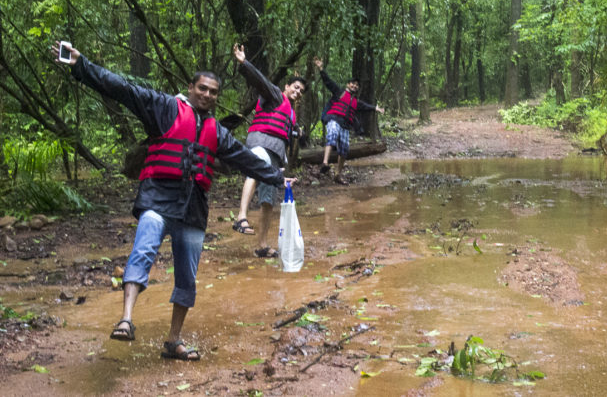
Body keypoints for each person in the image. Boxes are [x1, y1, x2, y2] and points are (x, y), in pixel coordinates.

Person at [52, 43, 291, 361]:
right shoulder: (162, 107)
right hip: (158, 198)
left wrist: (278, 178)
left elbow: (246, 159)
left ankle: (174, 340)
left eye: (213, 92)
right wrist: (81, 65)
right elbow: (123, 89)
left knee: (187, 276)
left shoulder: (216, 132)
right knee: (144, 249)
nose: (207, 95)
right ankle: (126, 318)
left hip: (193, 209)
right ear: (190, 88)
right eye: (202, 88)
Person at [231, 43, 306, 258]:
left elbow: (289, 135)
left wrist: (297, 133)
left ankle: (262, 245)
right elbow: (260, 81)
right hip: (259, 144)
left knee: (268, 200)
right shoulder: (275, 95)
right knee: (257, 169)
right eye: (295, 87)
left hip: (275, 155)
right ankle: (241, 216)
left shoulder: (291, 114)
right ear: (286, 86)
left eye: (301, 91)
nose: (298, 92)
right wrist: (244, 63)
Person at [314, 57, 383, 184]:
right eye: (353, 83)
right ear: (348, 84)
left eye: (357, 85)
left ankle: (338, 175)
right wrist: (321, 68)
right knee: (332, 134)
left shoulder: (356, 102)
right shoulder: (339, 92)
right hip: (333, 119)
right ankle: (325, 162)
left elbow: (366, 107)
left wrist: (375, 108)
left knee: (344, 150)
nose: (355, 86)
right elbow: (328, 82)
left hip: (345, 125)